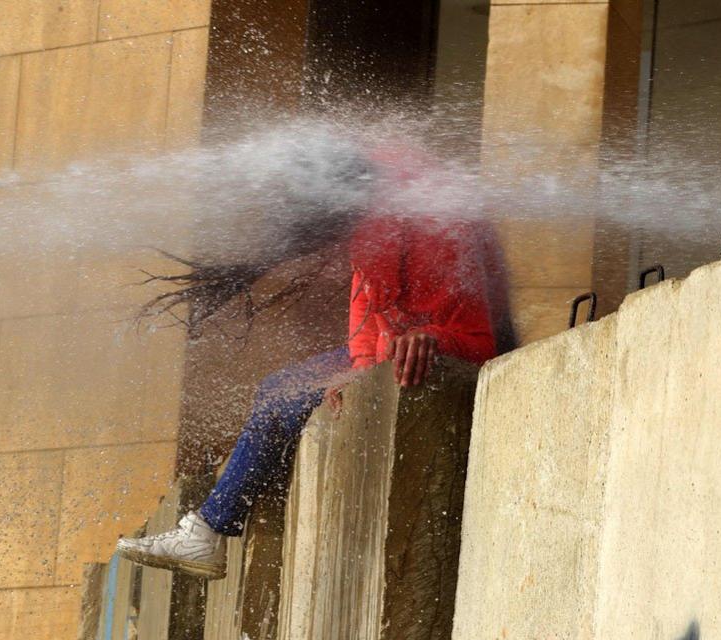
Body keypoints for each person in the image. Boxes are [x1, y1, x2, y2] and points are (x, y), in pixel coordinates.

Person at [116, 147, 515, 580]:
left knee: (280, 398)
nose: (330, 259)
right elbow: (366, 321)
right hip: (389, 351)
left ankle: (208, 529)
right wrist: (358, 371)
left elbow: (482, 343)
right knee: (277, 390)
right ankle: (207, 528)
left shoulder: (434, 230)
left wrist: (432, 339)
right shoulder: (376, 223)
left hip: (438, 358)